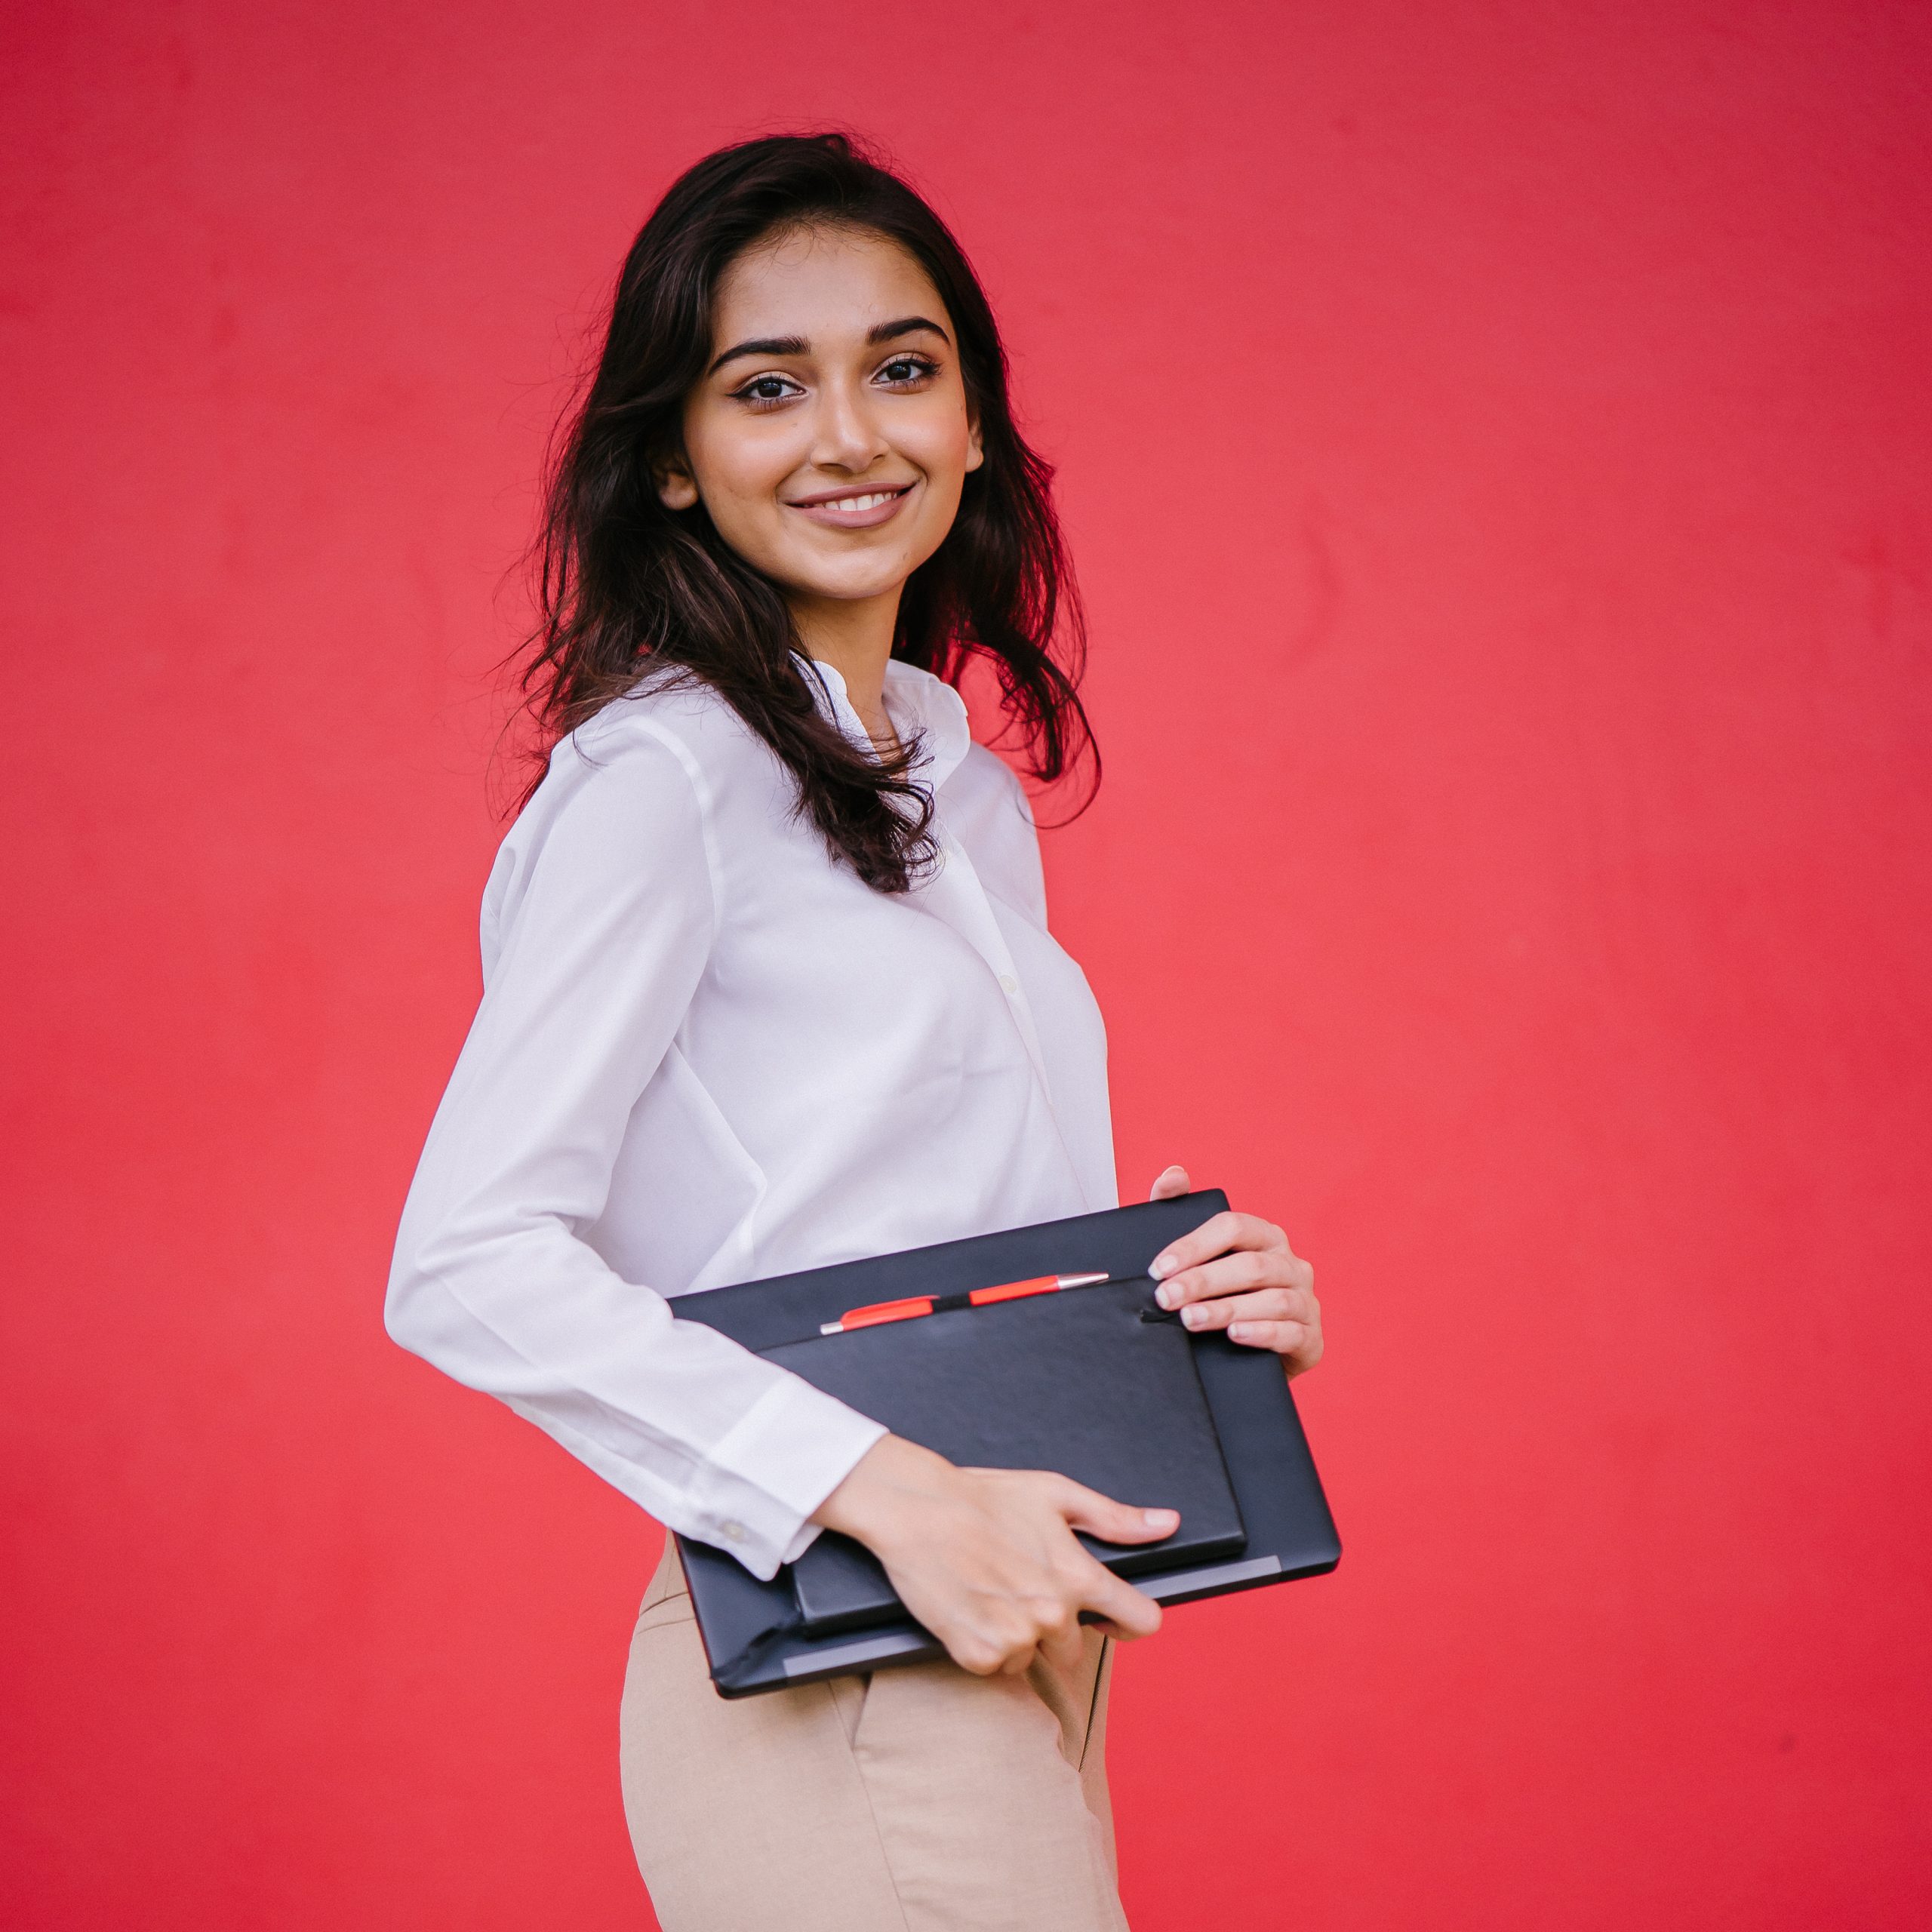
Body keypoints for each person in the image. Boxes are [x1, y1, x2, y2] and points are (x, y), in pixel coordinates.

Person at [386, 132, 1324, 1932]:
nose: (849, 434)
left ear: (973, 421)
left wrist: (1185, 1309)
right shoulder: (661, 776)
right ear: (669, 456)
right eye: (765, 387)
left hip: (1017, 1627)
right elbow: (465, 1259)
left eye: (903, 368)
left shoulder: (941, 781)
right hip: (846, 1648)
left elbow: (902, 1242)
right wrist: (884, 1488)